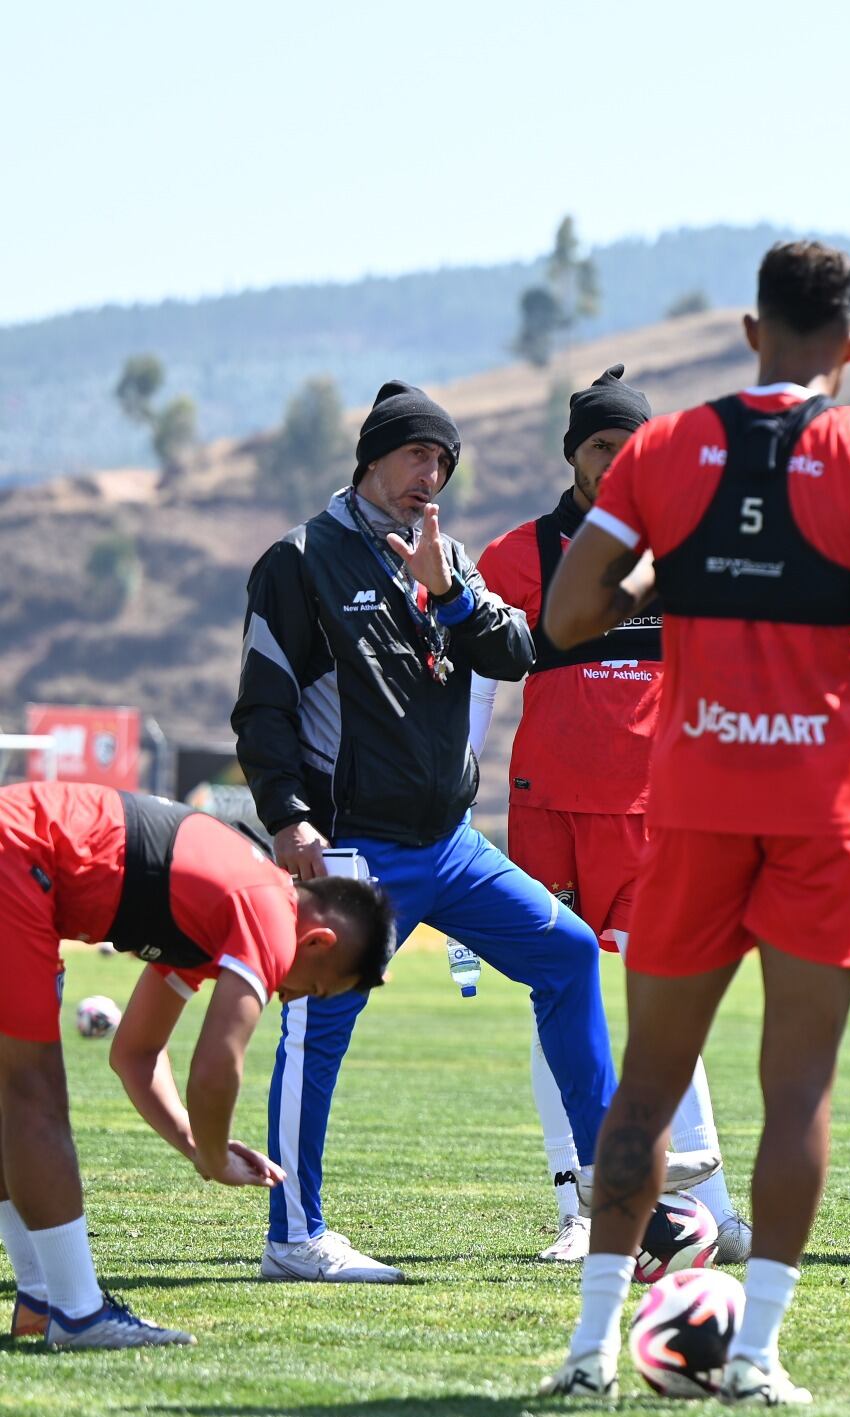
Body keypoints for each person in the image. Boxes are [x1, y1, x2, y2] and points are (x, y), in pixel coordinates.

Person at [535, 240, 850, 1403]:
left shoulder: (668, 447)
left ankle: (584, 1355)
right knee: (797, 1091)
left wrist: (667, 574)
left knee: (645, 1083)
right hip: (826, 816)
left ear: (747, 331)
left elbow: (569, 614)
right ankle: (757, 1354)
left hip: (692, 805)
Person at [232, 381, 715, 1284]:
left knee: (568, 956)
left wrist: (449, 591)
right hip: (354, 846)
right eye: (418, 455)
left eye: (444, 462)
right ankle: (294, 1235)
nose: (432, 475)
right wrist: (288, 817)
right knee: (316, 1027)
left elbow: (514, 650)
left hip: (449, 845)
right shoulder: (300, 561)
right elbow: (262, 710)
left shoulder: (445, 555)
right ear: (373, 457)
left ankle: (615, 1193)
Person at [473, 364, 750, 1265]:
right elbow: (476, 683)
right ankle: (579, 1210)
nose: (618, 458)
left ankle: (709, 1207)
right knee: (563, 999)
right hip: (548, 812)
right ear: (574, 455)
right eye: (602, 444)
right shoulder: (517, 557)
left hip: (659, 817)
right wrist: (454, 791)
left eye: (633, 443)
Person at [0, 780, 394, 1349]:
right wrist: (212, 1157)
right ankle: (78, 1314)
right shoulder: (270, 911)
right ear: (317, 943)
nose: (297, 997)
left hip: (20, 851)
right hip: (19, 855)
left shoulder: (219, 912)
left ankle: (42, 1299)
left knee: (12, 1096)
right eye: (321, 989)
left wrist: (195, 1145)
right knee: (31, 1094)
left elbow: (134, 1054)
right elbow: (216, 1065)